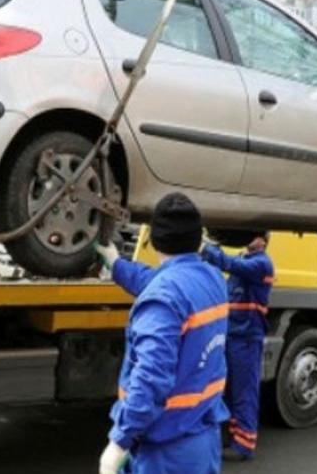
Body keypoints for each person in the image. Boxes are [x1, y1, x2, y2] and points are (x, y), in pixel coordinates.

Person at [95, 193, 230, 474]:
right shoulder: (213, 279)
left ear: (153, 240)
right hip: (203, 441)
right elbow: (155, 280)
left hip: (165, 451)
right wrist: (116, 264)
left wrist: (119, 442)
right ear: (196, 240)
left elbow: (150, 379)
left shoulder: (164, 298)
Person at [201, 235, 274, 461]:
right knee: (231, 390)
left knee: (244, 392)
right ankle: (233, 436)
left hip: (246, 338)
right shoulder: (247, 260)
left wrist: (208, 247)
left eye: (250, 234)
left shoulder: (262, 263)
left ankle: (244, 445)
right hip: (234, 335)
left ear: (262, 240)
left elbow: (230, 264)